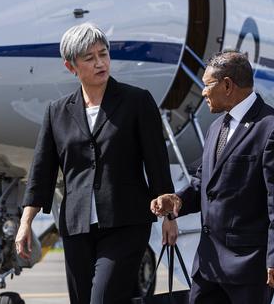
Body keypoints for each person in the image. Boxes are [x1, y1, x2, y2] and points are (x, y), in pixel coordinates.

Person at [15, 23, 174, 304]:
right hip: (77, 226)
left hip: (126, 222)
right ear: (71, 66)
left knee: (103, 299)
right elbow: (42, 171)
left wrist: (169, 217)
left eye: (103, 54)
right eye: (89, 58)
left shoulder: (137, 101)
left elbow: (157, 163)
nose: (100, 63)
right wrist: (25, 222)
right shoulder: (57, 111)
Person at [150, 50, 274, 304]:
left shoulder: (272, 129)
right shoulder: (216, 127)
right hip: (208, 265)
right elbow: (204, 183)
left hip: (248, 267)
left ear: (228, 85)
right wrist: (177, 200)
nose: (203, 92)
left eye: (207, 85)